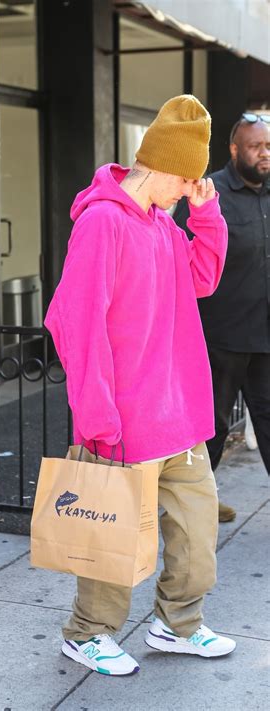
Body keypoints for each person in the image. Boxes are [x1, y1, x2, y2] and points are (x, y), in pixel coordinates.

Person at [45, 95, 236, 676]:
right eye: (186, 179)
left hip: (181, 416)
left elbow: (203, 278)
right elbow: (73, 321)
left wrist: (205, 215)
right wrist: (98, 415)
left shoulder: (162, 225)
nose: (189, 189)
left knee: (196, 539)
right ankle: (87, 634)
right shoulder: (103, 221)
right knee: (113, 540)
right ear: (158, 165)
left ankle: (177, 624)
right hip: (124, 419)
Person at [173, 113, 270, 522]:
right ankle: (194, 509)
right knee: (208, 431)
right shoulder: (208, 193)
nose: (264, 154)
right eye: (255, 146)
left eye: (268, 146)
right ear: (234, 150)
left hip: (266, 341)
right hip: (220, 339)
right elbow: (180, 259)